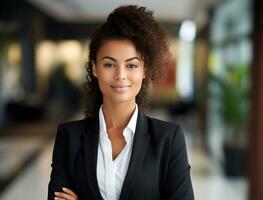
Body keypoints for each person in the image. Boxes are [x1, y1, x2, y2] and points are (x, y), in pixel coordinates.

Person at [48, 5, 194, 200]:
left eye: (131, 65)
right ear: (94, 68)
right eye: (109, 64)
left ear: (145, 70)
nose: (120, 75)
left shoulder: (168, 139)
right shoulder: (69, 137)